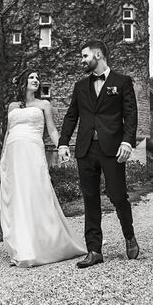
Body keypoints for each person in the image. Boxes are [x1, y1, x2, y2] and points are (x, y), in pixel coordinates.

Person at [58, 39, 139, 268]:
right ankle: (94, 250)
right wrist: (64, 143)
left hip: (113, 149)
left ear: (98, 55)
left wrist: (127, 142)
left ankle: (129, 235)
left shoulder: (122, 82)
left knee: (117, 195)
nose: (82, 60)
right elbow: (72, 116)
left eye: (85, 56)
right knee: (89, 198)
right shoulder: (80, 86)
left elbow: (130, 115)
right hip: (85, 149)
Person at [0, 70, 86, 267]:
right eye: (31, 77)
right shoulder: (12, 106)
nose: (36, 80)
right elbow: (7, 133)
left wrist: (61, 147)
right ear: (23, 82)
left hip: (32, 150)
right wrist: (2, 158)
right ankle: (21, 245)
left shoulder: (44, 104)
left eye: (38, 78)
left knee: (35, 192)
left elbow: (52, 129)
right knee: (16, 196)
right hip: (13, 153)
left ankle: (42, 243)